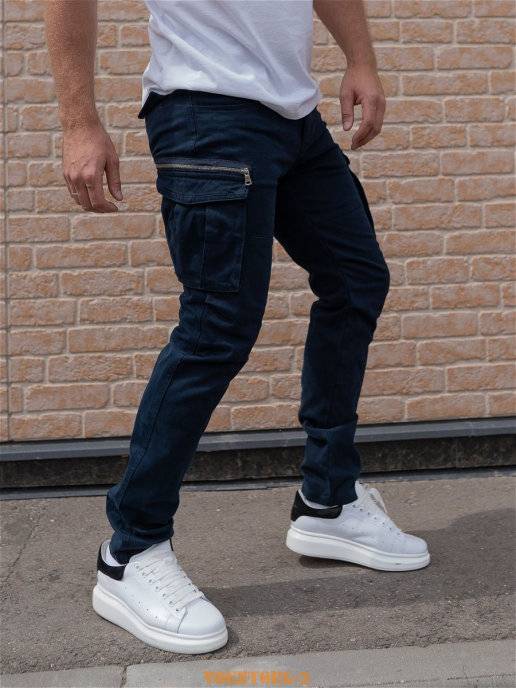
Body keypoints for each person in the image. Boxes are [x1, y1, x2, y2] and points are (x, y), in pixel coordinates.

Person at [45, 0, 430, 655]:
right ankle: (130, 550)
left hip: (294, 117)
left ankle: (328, 500)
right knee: (215, 330)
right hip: (208, 112)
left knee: (357, 281)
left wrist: (360, 59)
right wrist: (79, 122)